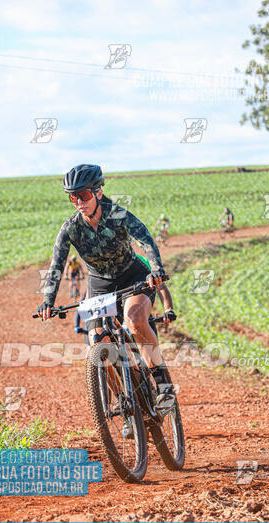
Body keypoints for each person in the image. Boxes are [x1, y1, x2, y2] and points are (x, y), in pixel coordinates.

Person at [37, 164, 176, 410]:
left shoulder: (118, 215)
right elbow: (56, 264)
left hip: (132, 276)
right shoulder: (70, 228)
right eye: (73, 197)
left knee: (134, 320)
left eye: (84, 195)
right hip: (100, 286)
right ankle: (124, 402)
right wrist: (48, 300)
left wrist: (155, 269)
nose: (79, 201)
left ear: (98, 193)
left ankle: (162, 384)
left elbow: (145, 241)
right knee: (97, 342)